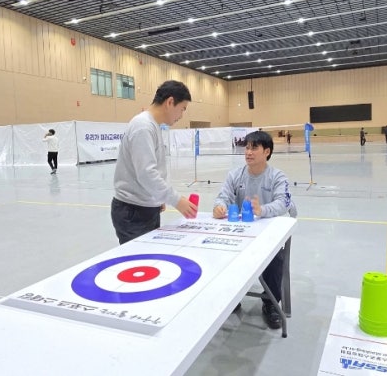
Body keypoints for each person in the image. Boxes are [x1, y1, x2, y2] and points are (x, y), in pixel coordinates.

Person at [212, 130, 296, 330]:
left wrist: (262, 210)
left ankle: (271, 302)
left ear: (267, 152)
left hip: (268, 235)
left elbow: (284, 202)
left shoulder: (277, 176)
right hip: (242, 234)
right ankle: (232, 297)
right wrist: (219, 206)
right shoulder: (235, 175)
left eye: (254, 148)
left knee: (275, 259)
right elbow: (223, 196)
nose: (248, 152)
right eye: (247, 148)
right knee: (222, 252)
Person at [111, 80, 198, 245]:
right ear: (170, 102)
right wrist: (177, 200)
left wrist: (157, 198)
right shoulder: (143, 127)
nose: (181, 115)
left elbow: (154, 169)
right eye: (182, 109)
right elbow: (146, 173)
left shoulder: (152, 125)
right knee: (140, 258)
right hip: (133, 212)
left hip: (145, 207)